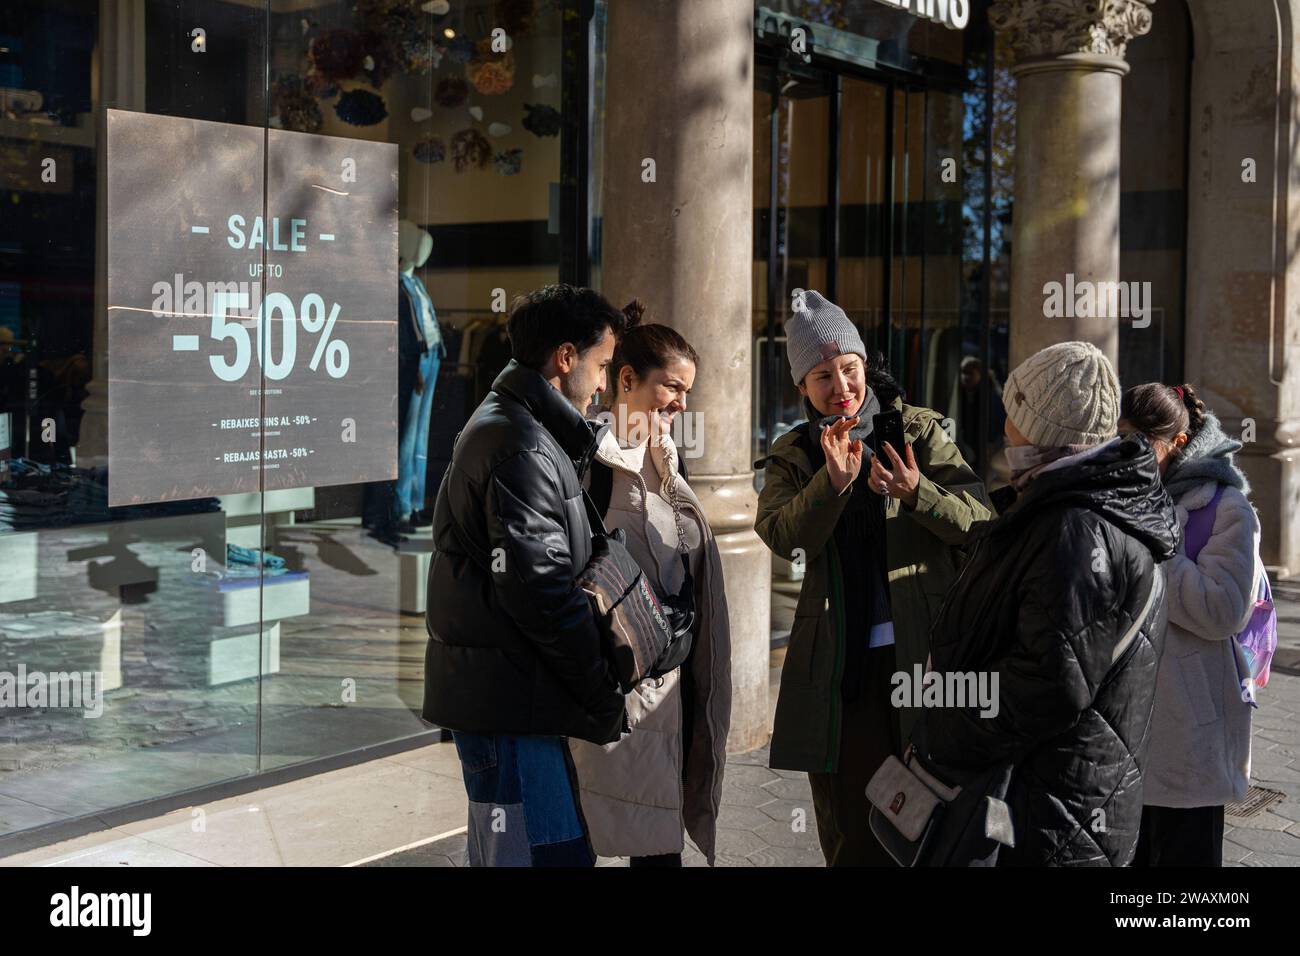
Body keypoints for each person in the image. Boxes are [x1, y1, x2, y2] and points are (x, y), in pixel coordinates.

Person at [917, 341, 1180, 866]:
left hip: (1047, 819)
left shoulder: (1076, 529)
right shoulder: (1071, 502)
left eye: (1015, 411)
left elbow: (1049, 683)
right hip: (1061, 805)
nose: (1006, 423)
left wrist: (944, 725)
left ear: (1042, 429)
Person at [754, 289, 990, 867]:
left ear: (865, 365)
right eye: (822, 377)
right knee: (857, 833)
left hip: (925, 659)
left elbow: (981, 522)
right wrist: (828, 486)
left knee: (933, 824)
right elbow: (781, 533)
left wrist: (918, 494)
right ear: (802, 389)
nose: (841, 388)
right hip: (844, 669)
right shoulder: (797, 454)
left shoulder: (917, 430)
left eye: (849, 369)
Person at [422, 283, 628, 867]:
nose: (603, 385)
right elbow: (539, 592)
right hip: (512, 705)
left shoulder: (516, 428)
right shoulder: (521, 443)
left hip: (512, 699)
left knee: (516, 855)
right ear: (566, 358)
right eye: (602, 366)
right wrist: (599, 691)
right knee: (540, 859)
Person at [568, 302, 732, 867]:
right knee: (593, 834)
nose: (683, 403)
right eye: (673, 387)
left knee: (658, 850)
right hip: (613, 697)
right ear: (627, 379)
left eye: (688, 390)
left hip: (666, 698)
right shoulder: (585, 464)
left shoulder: (667, 461)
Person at [1121, 383, 1261, 867]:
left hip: (1190, 741)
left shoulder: (1225, 508)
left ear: (1177, 442)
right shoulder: (1121, 498)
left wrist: (1153, 550)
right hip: (1123, 736)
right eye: (1122, 441)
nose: (1130, 456)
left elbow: (1223, 610)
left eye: (1142, 444)